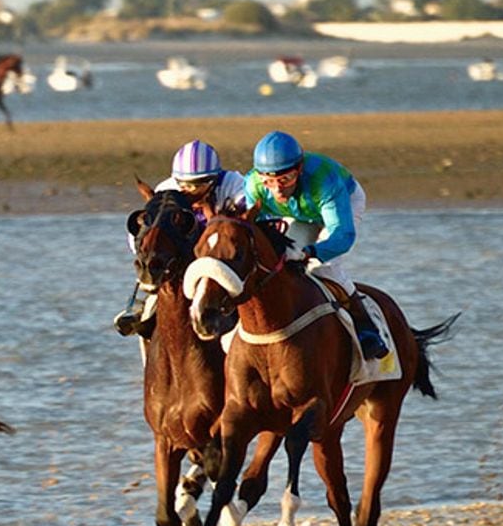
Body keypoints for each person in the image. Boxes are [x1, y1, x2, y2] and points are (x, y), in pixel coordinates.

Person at [244, 130, 388, 360]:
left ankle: (367, 328)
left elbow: (342, 237)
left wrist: (311, 252)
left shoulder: (323, 181)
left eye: (285, 180)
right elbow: (257, 233)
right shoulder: (253, 186)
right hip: (301, 213)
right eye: (268, 181)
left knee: (322, 267)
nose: (277, 189)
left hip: (343, 202)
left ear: (299, 170)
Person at [113, 139, 249, 337]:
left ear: (214, 179)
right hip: (181, 261)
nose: (189, 191)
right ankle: (143, 312)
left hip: (226, 260)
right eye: (183, 184)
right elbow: (140, 240)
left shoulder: (237, 187)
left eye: (197, 185)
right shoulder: (166, 190)